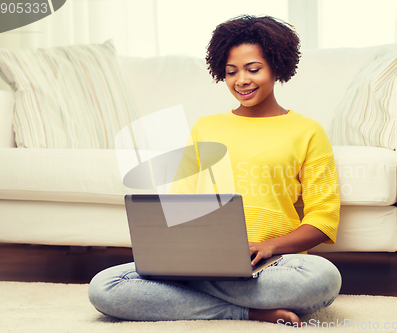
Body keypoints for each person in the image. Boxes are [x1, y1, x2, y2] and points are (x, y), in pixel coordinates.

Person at [88, 15, 341, 324]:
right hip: (200, 261)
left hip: (272, 265)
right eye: (231, 72)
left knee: (324, 278)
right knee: (104, 286)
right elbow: (179, 204)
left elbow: (322, 218)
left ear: (277, 66)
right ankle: (244, 311)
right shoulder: (206, 126)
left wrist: (269, 245)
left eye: (253, 69)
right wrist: (174, 254)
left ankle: (188, 299)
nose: (241, 81)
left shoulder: (308, 131)